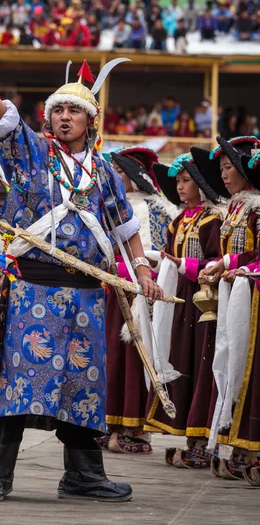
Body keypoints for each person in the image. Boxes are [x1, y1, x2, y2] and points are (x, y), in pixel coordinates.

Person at [0, 30, 163, 503]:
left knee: (82, 385)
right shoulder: (31, 154)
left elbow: (125, 227)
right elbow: (1, 114)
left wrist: (142, 269)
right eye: (58, 110)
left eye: (74, 110)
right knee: (25, 380)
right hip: (34, 291)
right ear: (48, 118)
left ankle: (83, 475)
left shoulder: (103, 171)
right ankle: (0, 473)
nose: (65, 117)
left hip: (87, 293)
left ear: (90, 120)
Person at [146, 152, 225, 468]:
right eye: (177, 181)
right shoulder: (179, 219)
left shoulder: (213, 220)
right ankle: (191, 437)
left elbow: (216, 261)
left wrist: (185, 265)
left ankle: (205, 440)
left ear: (201, 185)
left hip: (205, 303)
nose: (179, 187)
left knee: (203, 365)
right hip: (179, 305)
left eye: (185, 180)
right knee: (182, 361)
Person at [191, 136, 260, 478]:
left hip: (253, 301)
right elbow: (235, 252)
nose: (224, 175)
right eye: (221, 169)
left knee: (249, 368)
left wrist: (236, 265)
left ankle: (248, 445)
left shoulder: (257, 207)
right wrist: (222, 263)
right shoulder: (233, 208)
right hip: (234, 298)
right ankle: (230, 441)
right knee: (227, 363)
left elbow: (255, 254)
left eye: (229, 167)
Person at [102, 148, 177, 453]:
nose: (116, 178)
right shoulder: (108, 206)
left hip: (138, 295)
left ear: (135, 176)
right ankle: (105, 424)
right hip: (108, 291)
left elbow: (157, 256)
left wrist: (124, 269)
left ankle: (133, 428)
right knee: (108, 358)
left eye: (121, 172)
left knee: (132, 361)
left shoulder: (154, 209)